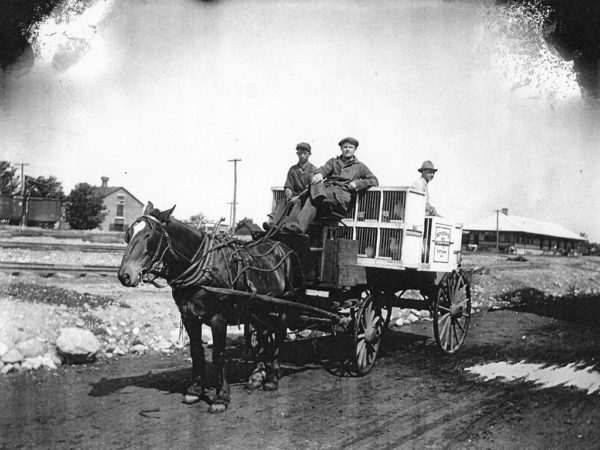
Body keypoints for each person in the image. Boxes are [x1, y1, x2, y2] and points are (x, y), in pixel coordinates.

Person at [282, 137, 378, 234]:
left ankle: (299, 226)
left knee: (311, 197)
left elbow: (373, 180)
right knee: (307, 189)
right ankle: (289, 227)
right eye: (345, 147)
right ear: (341, 149)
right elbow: (323, 170)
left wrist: (357, 183)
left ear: (355, 149)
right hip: (326, 191)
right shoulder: (333, 162)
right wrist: (320, 174)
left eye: (350, 147)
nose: (347, 149)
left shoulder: (360, 166)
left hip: (340, 195)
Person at [264, 142, 316, 230]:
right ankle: (273, 224)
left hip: (305, 198)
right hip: (293, 196)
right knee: (282, 201)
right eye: (300, 153)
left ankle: (290, 226)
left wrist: (297, 197)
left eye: (305, 153)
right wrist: (288, 194)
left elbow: (308, 189)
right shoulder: (293, 169)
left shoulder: (313, 170)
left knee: (297, 202)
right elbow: (288, 185)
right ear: (297, 154)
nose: (302, 156)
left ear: (309, 154)